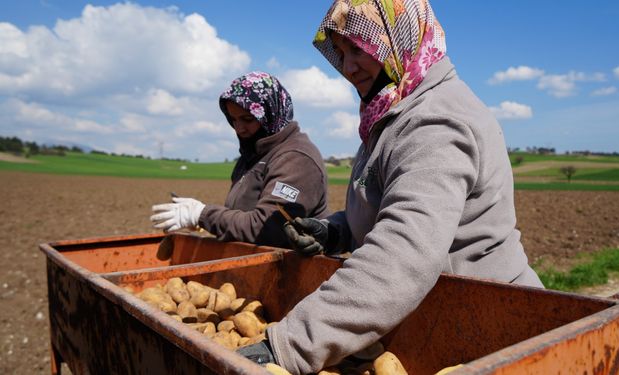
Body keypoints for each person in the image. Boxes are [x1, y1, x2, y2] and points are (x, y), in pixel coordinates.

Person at [237, 1, 544, 374]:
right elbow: (389, 207)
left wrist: (286, 348)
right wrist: (336, 231)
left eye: (359, 48)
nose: (348, 67)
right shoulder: (392, 113)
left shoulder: (434, 121)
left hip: (489, 325)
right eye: (341, 50)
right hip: (437, 318)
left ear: (398, 36)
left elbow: (404, 253)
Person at [150, 71, 330, 248]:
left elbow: (266, 229)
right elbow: (241, 214)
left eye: (247, 119)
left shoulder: (296, 159)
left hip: (292, 270)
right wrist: (206, 222)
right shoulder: (253, 154)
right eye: (233, 119)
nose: (239, 128)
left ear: (271, 112)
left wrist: (203, 215)